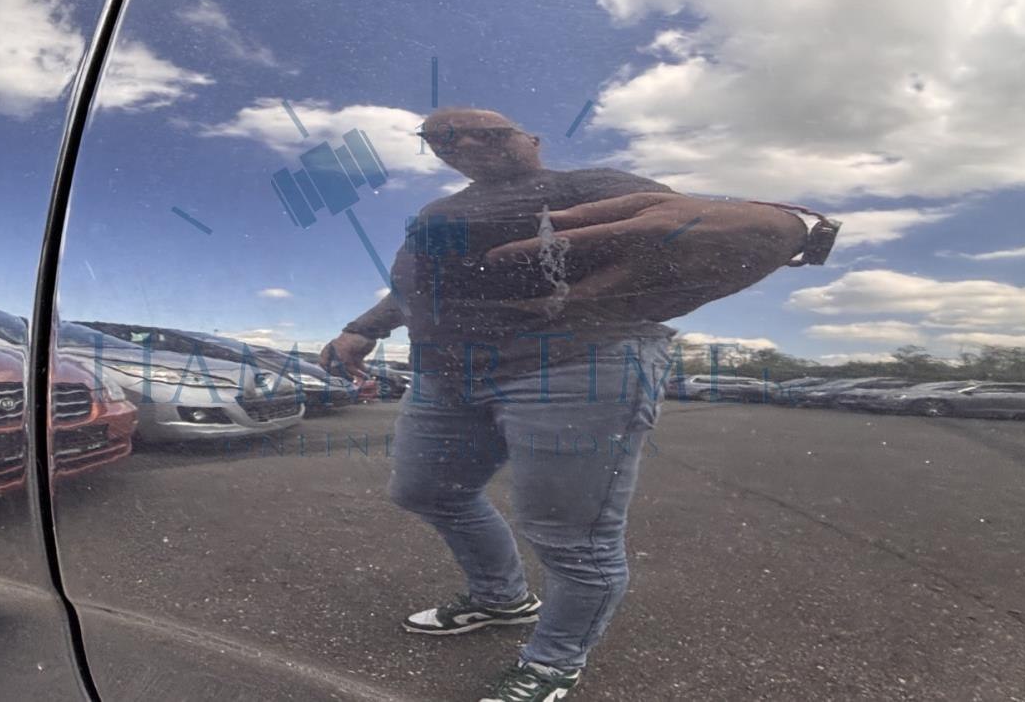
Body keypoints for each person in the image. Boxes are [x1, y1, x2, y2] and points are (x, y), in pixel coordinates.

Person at [320, 108, 807, 701]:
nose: (465, 141)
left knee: (571, 536)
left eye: (487, 132)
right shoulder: (438, 212)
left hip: (575, 363)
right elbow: (416, 286)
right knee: (427, 491)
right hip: (446, 373)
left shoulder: (594, 184)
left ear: (531, 139)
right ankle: (501, 599)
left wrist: (793, 228)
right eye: (443, 137)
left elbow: (686, 227)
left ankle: (553, 663)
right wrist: (362, 328)